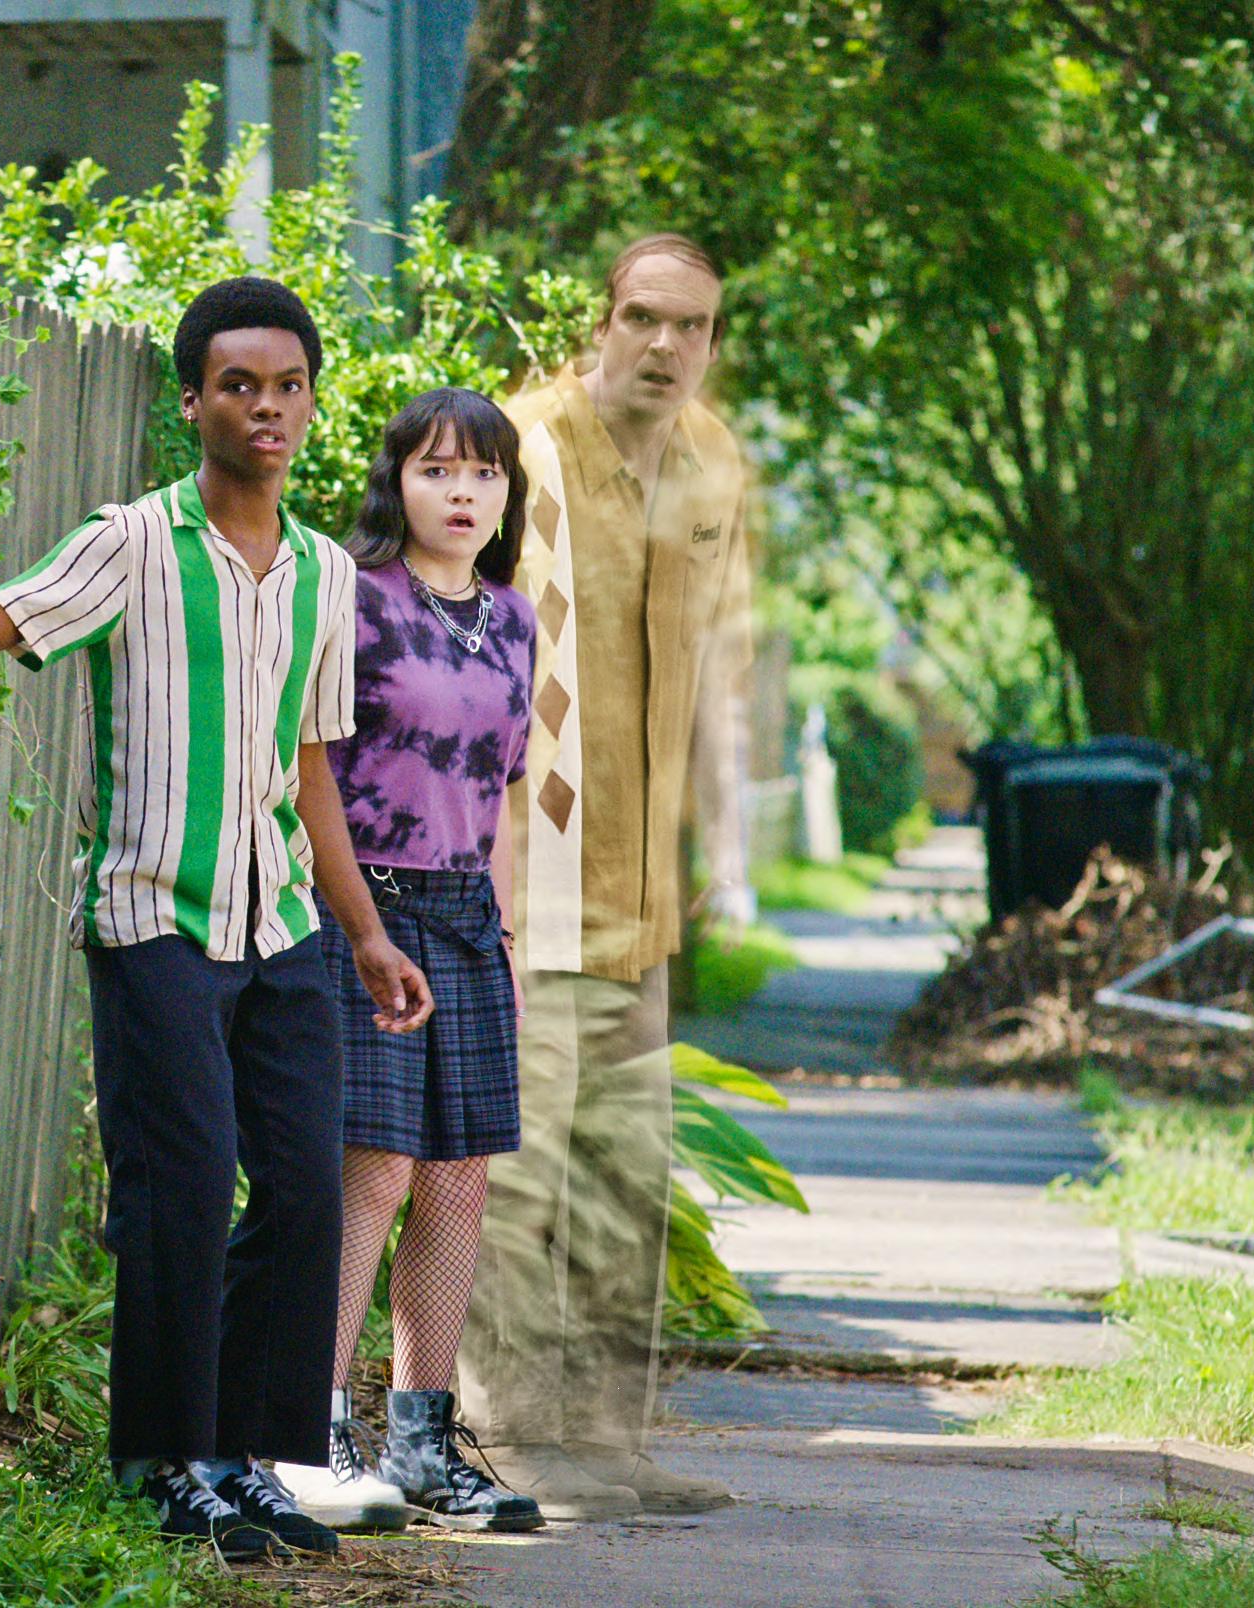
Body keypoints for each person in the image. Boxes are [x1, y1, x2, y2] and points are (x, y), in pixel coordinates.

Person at [0, 276, 434, 1562]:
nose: (265, 408)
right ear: (193, 402)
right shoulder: (130, 543)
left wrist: (367, 932)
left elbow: (312, 768)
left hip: (284, 928)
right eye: (237, 386)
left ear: (312, 402)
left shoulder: (328, 573)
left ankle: (246, 1457)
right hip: (152, 918)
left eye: (287, 387)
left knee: (307, 1192)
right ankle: (163, 1463)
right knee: (180, 1188)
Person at [455, 233, 759, 1520]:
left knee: (629, 1170)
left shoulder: (713, 461)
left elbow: (721, 667)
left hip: (644, 887)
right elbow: (468, 649)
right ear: (602, 322)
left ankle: (610, 1445)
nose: (663, 346)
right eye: (643, 317)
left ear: (711, 341)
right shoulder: (520, 450)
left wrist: (719, 856)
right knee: (522, 1167)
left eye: (689, 327)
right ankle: (514, 1443)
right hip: (534, 870)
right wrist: (489, 877)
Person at [256, 387, 550, 1534]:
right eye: (437, 470)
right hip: (360, 909)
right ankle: (312, 1432)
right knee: (372, 1168)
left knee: (459, 1174)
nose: (463, 492)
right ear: (398, 484)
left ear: (507, 493)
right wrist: (348, 918)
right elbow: (308, 761)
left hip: (467, 916)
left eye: (484, 473)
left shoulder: (517, 619)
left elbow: (501, 800)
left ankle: (422, 1445)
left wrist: (507, 941)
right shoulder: (359, 603)